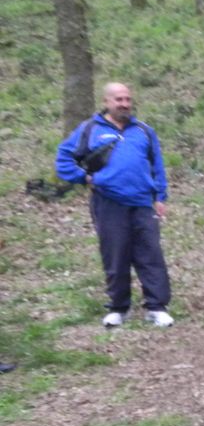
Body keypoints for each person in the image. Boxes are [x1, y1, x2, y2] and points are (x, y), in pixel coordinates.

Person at [55, 83, 174, 329]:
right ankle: (118, 308)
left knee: (151, 255)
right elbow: (63, 158)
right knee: (115, 255)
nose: (124, 104)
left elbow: (157, 166)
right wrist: (85, 178)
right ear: (107, 102)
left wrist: (160, 197)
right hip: (108, 202)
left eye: (128, 99)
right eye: (119, 99)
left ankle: (156, 307)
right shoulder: (90, 129)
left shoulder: (144, 131)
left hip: (143, 202)